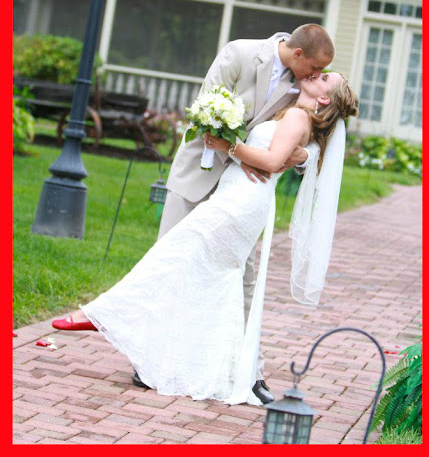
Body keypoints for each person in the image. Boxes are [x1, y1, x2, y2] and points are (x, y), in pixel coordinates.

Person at [52, 71, 359, 408]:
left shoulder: (299, 116)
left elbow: (271, 163)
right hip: (240, 200)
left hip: (239, 204)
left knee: (171, 255)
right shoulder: (297, 115)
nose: (316, 73)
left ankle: (103, 315)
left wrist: (230, 146)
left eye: (324, 77)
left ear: (325, 98)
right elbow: (286, 158)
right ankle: (202, 365)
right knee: (206, 281)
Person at [155, 23, 335, 403]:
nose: (316, 78)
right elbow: (204, 111)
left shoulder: (303, 89)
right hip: (198, 176)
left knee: (245, 278)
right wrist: (238, 152)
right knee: (168, 263)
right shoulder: (239, 53)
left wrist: (301, 155)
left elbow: (317, 132)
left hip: (243, 195)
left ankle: (250, 371)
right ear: (298, 54)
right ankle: (151, 360)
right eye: (314, 71)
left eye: (322, 75)